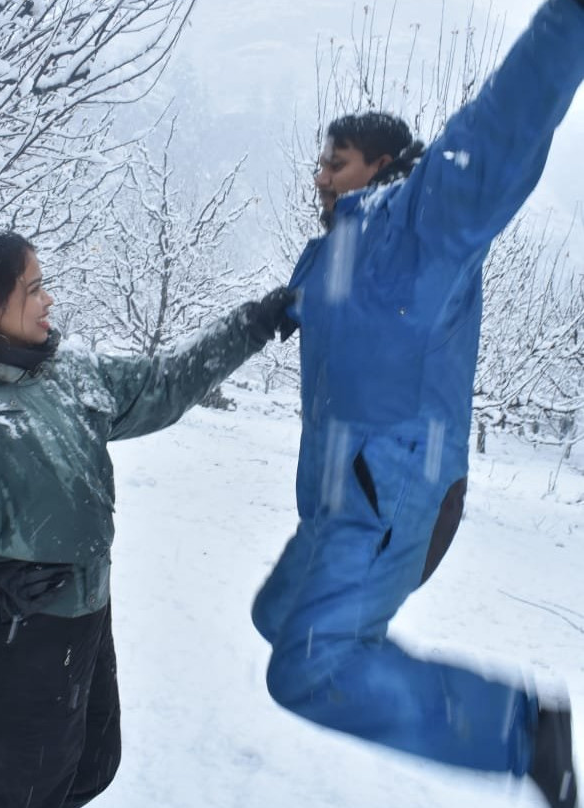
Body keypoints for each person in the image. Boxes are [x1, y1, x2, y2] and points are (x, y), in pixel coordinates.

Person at [251, 1, 584, 806]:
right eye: (320, 161)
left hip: (396, 491)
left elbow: (507, 116)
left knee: (308, 665)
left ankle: (521, 730)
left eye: (338, 160)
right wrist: (272, 312)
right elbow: (309, 307)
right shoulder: (329, 256)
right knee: (276, 614)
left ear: (386, 165)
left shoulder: (424, 222)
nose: (320, 174)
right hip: (339, 492)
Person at [0, 229, 293, 808]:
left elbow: (163, 383)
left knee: (92, 766)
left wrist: (252, 323)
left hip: (87, 619)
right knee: (22, 798)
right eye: (34, 289)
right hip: (24, 641)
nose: (49, 299)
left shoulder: (64, 371)